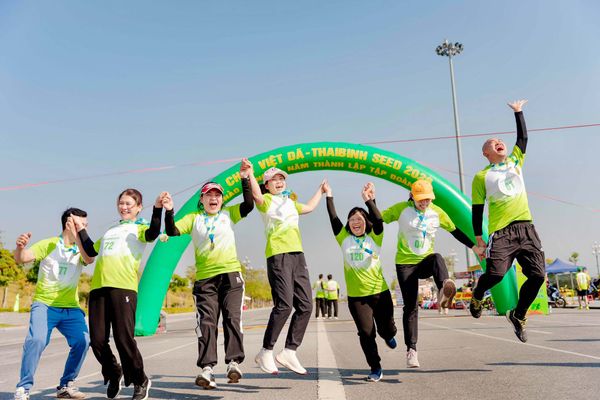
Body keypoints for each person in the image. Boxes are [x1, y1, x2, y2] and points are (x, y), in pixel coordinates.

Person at [163, 159, 254, 389]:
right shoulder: (194, 218)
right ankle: (207, 369)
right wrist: (169, 210)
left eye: (217, 195)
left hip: (231, 275)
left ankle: (233, 363)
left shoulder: (229, 214)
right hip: (205, 280)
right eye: (209, 195)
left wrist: (245, 179)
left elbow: (248, 205)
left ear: (222, 199)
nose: (214, 198)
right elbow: (172, 230)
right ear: (201, 200)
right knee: (206, 323)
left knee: (232, 319)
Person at [470, 100, 546, 343]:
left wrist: (518, 112)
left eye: (500, 140)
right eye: (493, 142)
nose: (498, 142)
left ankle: (518, 314)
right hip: (502, 232)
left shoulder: (515, 160)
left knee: (538, 275)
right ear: (486, 153)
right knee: (496, 274)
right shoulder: (481, 176)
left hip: (526, 227)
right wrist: (479, 239)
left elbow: (523, 139)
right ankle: (478, 293)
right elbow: (477, 209)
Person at [381, 179, 478, 368]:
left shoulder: (437, 212)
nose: (424, 202)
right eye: (421, 199)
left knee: (437, 258)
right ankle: (412, 350)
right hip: (405, 265)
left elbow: (455, 231)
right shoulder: (401, 209)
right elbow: (379, 218)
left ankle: (444, 290)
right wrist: (369, 203)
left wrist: (474, 246)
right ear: (412, 196)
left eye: (428, 199)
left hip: (425, 262)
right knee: (411, 307)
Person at [77, 189, 163, 400]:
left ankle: (140, 379)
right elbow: (91, 250)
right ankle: (114, 371)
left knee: (123, 339)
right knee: (97, 340)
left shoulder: (140, 228)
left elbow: (153, 233)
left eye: (128, 204)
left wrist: (158, 209)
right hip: (99, 288)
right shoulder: (111, 230)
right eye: (121, 203)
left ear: (138, 207)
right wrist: (80, 229)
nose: (124, 207)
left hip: (123, 287)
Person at [247, 164, 325, 375]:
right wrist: (250, 174)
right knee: (284, 305)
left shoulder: (290, 202)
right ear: (267, 185)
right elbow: (256, 196)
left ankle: (289, 351)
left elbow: (309, 207)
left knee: (306, 305)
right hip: (278, 255)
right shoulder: (266, 201)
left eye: (281, 179)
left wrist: (321, 190)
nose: (279, 182)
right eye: (274, 180)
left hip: (298, 254)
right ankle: (266, 351)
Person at [13, 209, 93, 400]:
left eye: (85, 225)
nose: (84, 228)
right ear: (68, 224)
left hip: (71, 307)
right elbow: (22, 258)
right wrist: (20, 248)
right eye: (80, 224)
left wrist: (79, 238)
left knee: (83, 341)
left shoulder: (81, 248)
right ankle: (23, 388)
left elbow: (89, 259)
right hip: (45, 304)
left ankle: (66, 385)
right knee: (37, 340)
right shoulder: (49, 244)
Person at [324, 181, 397, 382]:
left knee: (386, 329)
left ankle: (389, 335)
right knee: (366, 333)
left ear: (366, 221)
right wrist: (329, 195)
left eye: (359, 219)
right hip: (357, 298)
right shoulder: (343, 238)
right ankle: (375, 368)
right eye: (352, 219)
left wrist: (369, 200)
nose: (355, 222)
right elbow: (333, 218)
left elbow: (379, 219)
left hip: (380, 293)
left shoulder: (375, 237)